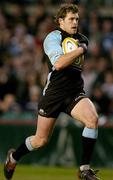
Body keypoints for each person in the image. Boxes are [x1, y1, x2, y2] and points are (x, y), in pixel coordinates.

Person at [4, 4, 101, 180]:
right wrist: (80, 49)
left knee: (92, 119)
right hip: (54, 94)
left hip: (74, 92)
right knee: (40, 140)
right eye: (71, 19)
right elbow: (58, 64)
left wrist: (82, 46)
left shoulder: (82, 38)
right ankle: (13, 157)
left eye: (77, 19)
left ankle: (84, 169)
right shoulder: (53, 37)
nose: (75, 22)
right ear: (60, 21)